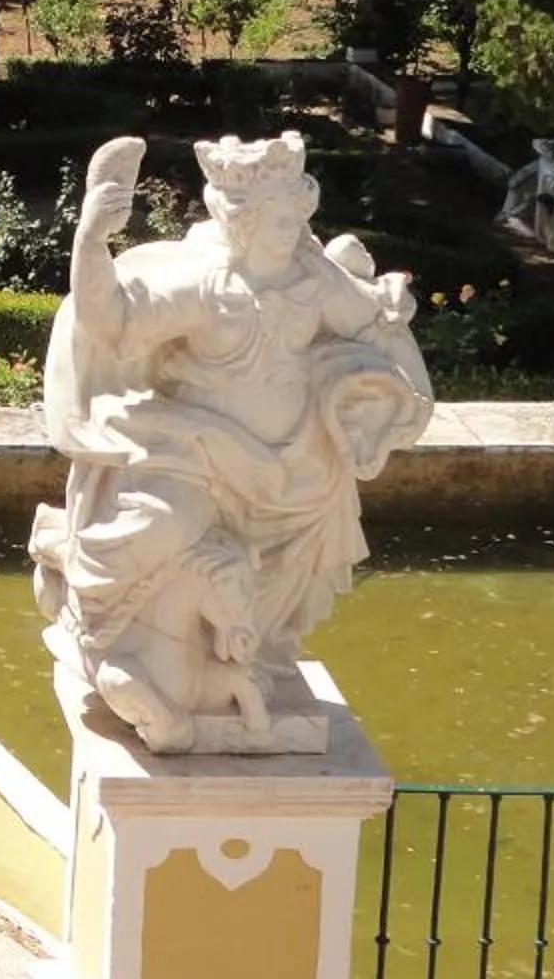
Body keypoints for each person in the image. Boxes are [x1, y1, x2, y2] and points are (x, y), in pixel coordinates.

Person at [31, 131, 431, 753]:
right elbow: (110, 320)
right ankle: (100, 623)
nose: (290, 228)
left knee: (297, 547)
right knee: (167, 524)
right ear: (241, 221)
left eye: (296, 214)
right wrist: (92, 237)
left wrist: (392, 332)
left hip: (295, 466)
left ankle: (251, 658)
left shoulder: (312, 279)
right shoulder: (207, 288)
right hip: (197, 455)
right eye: (276, 218)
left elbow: (371, 324)